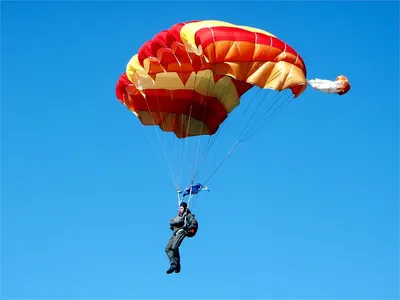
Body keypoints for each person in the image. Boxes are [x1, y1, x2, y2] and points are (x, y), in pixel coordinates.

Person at [165, 201, 197, 274]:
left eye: (181, 208)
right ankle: (173, 264)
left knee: (174, 247)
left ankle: (177, 264)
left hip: (182, 231)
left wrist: (188, 228)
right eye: (179, 208)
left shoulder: (188, 215)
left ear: (185, 208)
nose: (180, 209)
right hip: (175, 233)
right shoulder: (179, 216)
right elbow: (173, 226)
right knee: (167, 248)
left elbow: (193, 223)